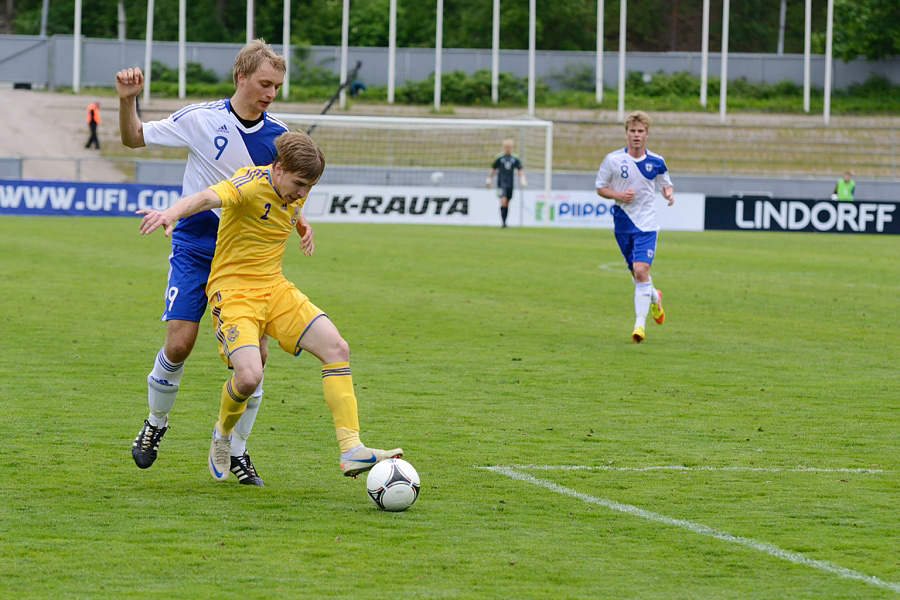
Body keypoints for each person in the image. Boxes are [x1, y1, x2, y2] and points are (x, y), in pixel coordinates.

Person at [136, 131, 403, 482]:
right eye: (299, 184)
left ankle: (351, 449)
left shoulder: (295, 192)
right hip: (233, 293)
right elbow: (205, 197)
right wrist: (171, 213)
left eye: (309, 187)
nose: (303, 193)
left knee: (337, 347)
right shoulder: (248, 183)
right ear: (278, 169)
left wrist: (302, 224)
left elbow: (284, 212)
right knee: (248, 376)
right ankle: (223, 433)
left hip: (274, 288)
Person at [117, 39, 314, 486]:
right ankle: (155, 424)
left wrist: (300, 220)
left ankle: (238, 451)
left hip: (245, 261)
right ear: (240, 77)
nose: (270, 92)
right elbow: (133, 138)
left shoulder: (281, 137)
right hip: (196, 244)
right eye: (264, 83)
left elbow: (286, 188)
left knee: (256, 360)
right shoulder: (200, 119)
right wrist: (128, 102)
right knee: (180, 343)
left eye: (277, 86)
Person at [595, 110, 674, 343]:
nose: (636, 135)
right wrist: (619, 194)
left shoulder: (657, 161)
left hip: (647, 224)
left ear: (647, 134)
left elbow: (666, 185)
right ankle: (655, 297)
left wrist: (669, 194)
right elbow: (600, 188)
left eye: (640, 131)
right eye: (632, 131)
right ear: (626, 133)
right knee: (636, 274)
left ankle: (639, 326)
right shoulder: (613, 160)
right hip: (622, 222)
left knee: (641, 271)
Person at [485, 139, 526, 228]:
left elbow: (520, 169)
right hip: (501, 183)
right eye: (506, 147)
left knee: (507, 202)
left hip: (510, 183)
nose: (508, 148)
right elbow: (493, 169)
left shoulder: (515, 158)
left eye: (509, 147)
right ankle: (503, 222)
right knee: (503, 200)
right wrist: (489, 179)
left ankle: (505, 221)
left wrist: (522, 178)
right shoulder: (499, 157)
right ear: (504, 147)